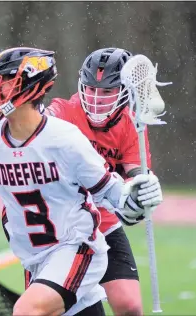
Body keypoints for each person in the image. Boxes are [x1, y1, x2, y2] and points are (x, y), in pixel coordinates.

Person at [0, 47, 163, 316]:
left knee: (32, 311)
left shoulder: (65, 137)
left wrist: (138, 193)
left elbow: (115, 190)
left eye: (3, 82)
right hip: (37, 252)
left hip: (77, 241)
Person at [44, 47, 157, 315]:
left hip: (102, 221)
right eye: (92, 89)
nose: (96, 99)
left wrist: (146, 188)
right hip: (63, 226)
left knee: (130, 307)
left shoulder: (131, 124)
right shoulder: (63, 111)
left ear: (124, 92)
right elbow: (42, 122)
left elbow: (135, 175)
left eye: (106, 92)